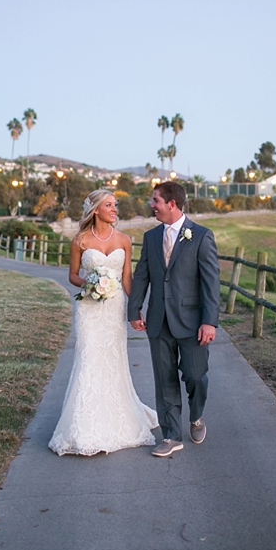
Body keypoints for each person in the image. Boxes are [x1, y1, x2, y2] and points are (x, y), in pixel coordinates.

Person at [48, 190, 159, 456]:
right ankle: (83, 428)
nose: (114, 209)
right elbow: (73, 276)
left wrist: (137, 309)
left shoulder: (124, 240)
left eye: (115, 205)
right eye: (109, 205)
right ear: (96, 209)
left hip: (114, 309)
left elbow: (128, 279)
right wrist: (90, 283)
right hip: (88, 308)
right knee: (88, 360)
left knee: (113, 360)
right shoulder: (80, 241)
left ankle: (117, 419)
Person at [128, 181, 220, 457]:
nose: (151, 205)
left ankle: (197, 415)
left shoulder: (201, 236)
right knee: (164, 379)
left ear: (172, 204)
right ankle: (171, 436)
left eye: (155, 200)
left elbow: (211, 283)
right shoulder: (150, 237)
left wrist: (209, 321)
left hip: (193, 323)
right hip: (158, 320)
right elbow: (142, 275)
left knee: (195, 375)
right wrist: (134, 311)